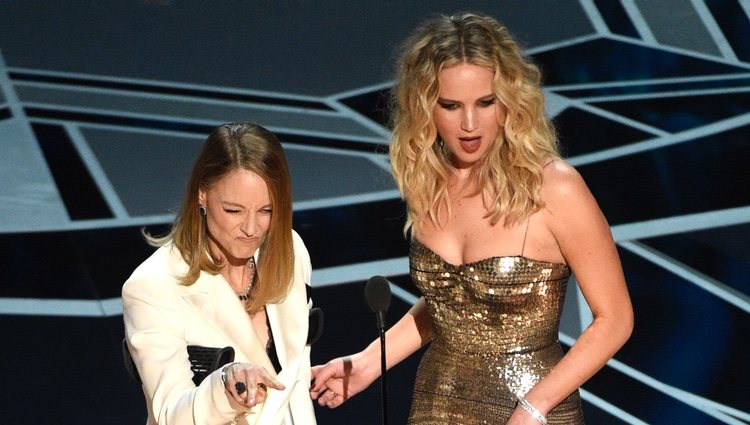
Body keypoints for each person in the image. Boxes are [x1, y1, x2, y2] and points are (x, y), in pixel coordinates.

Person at [310, 12, 633, 425]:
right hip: (436, 404)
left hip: (531, 413)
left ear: (510, 101)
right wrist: (369, 363)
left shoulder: (555, 188)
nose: (468, 124)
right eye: (450, 105)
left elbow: (615, 319)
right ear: (425, 107)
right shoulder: (430, 184)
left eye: (485, 103)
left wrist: (535, 407)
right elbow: (454, 304)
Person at [122, 122, 317, 425]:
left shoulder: (290, 252)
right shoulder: (153, 286)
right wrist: (225, 387)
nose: (251, 229)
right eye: (234, 210)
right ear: (202, 194)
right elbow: (170, 414)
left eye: (266, 211)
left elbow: (294, 378)